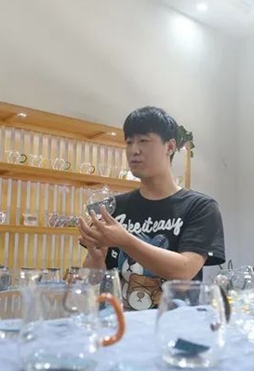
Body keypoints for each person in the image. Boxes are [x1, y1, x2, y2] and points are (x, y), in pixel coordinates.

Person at [79, 106, 225, 310]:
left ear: (170, 147)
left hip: (173, 324)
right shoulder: (113, 207)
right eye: (129, 142)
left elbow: (184, 271)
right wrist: (96, 258)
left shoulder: (200, 207)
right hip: (120, 323)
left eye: (144, 141)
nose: (134, 150)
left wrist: (125, 241)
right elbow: (91, 281)